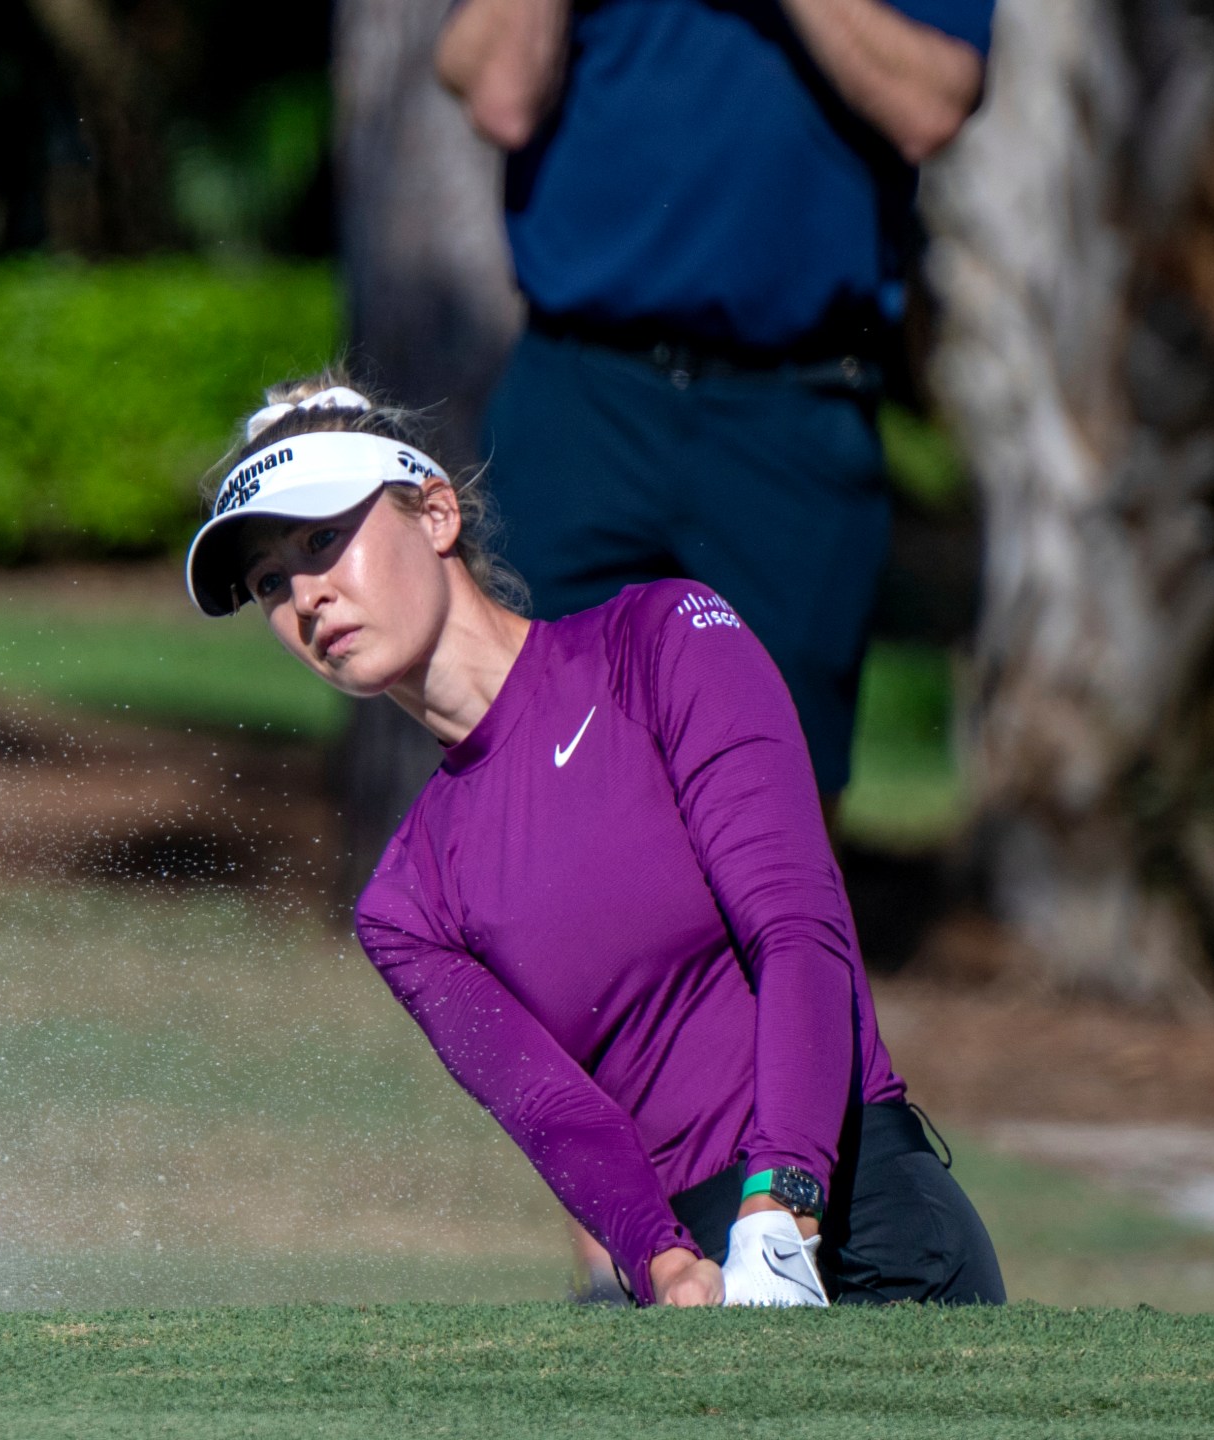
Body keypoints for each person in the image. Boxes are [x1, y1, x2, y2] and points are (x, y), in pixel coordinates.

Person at [184, 376, 1002, 1306]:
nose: (307, 598)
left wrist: (782, 1206)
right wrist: (663, 1264)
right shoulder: (404, 902)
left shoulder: (660, 642)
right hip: (699, 1269)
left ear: (438, 513)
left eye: (324, 540)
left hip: (863, 1209)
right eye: (269, 583)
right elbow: (555, 1112)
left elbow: (800, 928)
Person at [433, 0, 994, 808]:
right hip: (582, 401)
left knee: (773, 816)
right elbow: (497, 91)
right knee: (529, 788)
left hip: (791, 414)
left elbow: (931, 105)